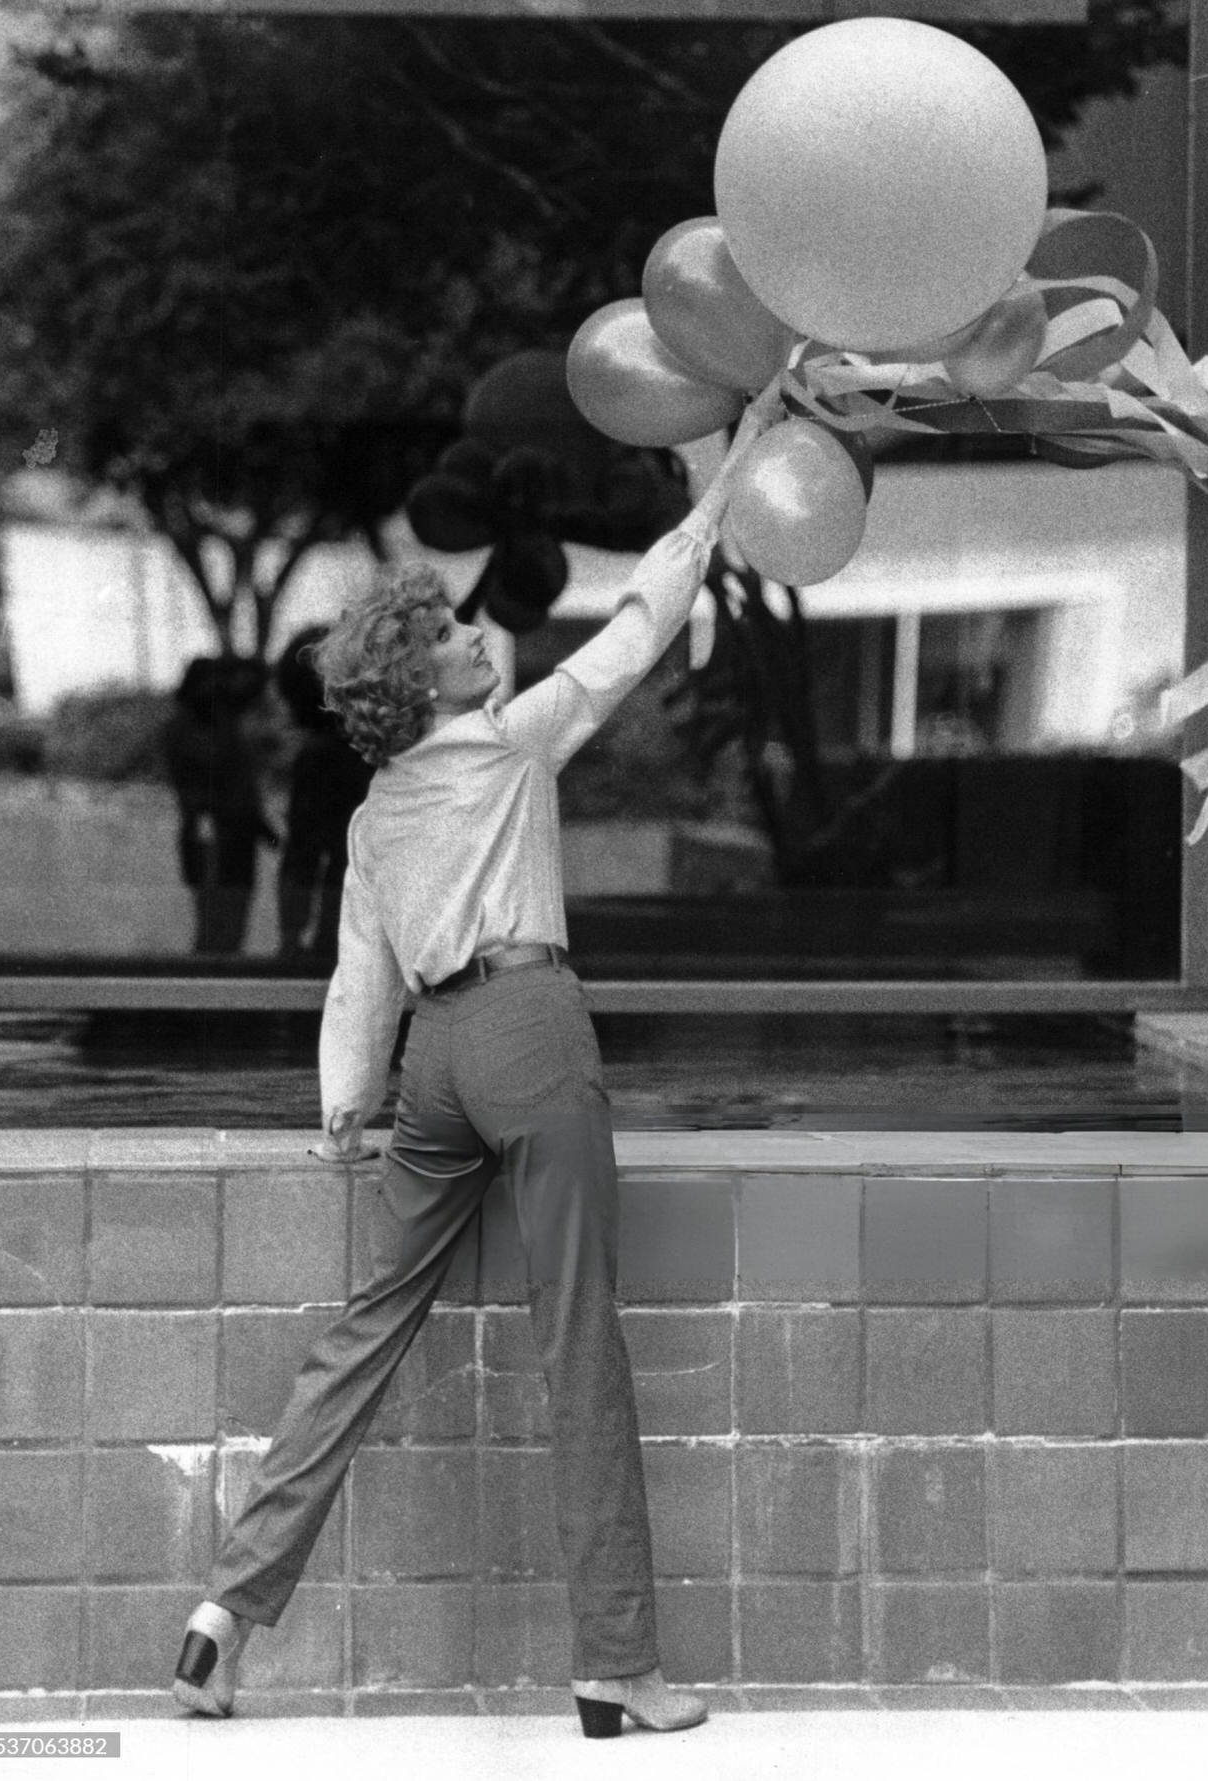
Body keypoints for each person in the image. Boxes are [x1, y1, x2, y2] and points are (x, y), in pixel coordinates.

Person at [171, 388, 781, 1738]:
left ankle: (225, 1609)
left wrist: (345, 1103)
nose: (472, 635)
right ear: (422, 683)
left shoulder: (381, 813)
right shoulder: (511, 747)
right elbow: (640, 627)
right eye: (448, 635)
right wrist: (724, 487)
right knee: (580, 1347)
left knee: (363, 1332)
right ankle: (618, 1666)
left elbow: (360, 979)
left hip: (431, 1066)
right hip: (526, 1032)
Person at [163, 657, 279, 954]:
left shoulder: (223, 724)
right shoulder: (189, 728)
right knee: (214, 926)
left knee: (230, 928)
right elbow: (207, 784)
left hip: (231, 837)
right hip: (213, 837)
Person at [273, 625, 375, 963]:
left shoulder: (321, 758)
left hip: (349, 911)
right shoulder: (377, 750)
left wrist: (290, 936)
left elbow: (302, 854)